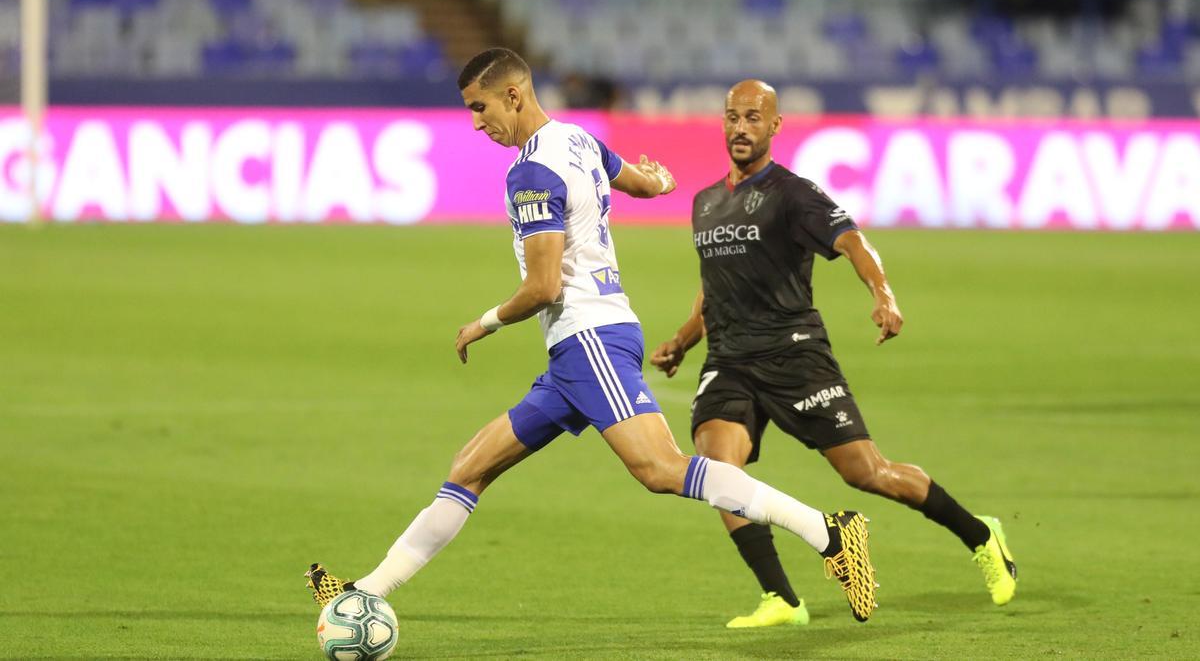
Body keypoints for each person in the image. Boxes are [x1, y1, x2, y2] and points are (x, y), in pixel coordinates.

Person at [305, 51, 878, 623]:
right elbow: (639, 183)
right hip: (578, 350)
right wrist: (659, 179)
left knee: (660, 469)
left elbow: (544, 286)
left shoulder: (531, 173)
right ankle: (365, 592)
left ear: (512, 96)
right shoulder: (578, 140)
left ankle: (827, 532)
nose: (476, 123)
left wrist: (482, 324)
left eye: (480, 108)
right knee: (470, 468)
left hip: (590, 338)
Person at [650, 79, 1017, 629]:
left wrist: (883, 294)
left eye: (753, 118)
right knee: (716, 470)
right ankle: (782, 598)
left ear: (774, 126)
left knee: (867, 473)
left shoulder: (794, 195)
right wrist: (683, 339)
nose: (741, 128)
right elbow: (715, 288)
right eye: (732, 117)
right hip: (729, 360)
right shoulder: (706, 202)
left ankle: (981, 534)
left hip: (794, 355)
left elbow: (852, 241)